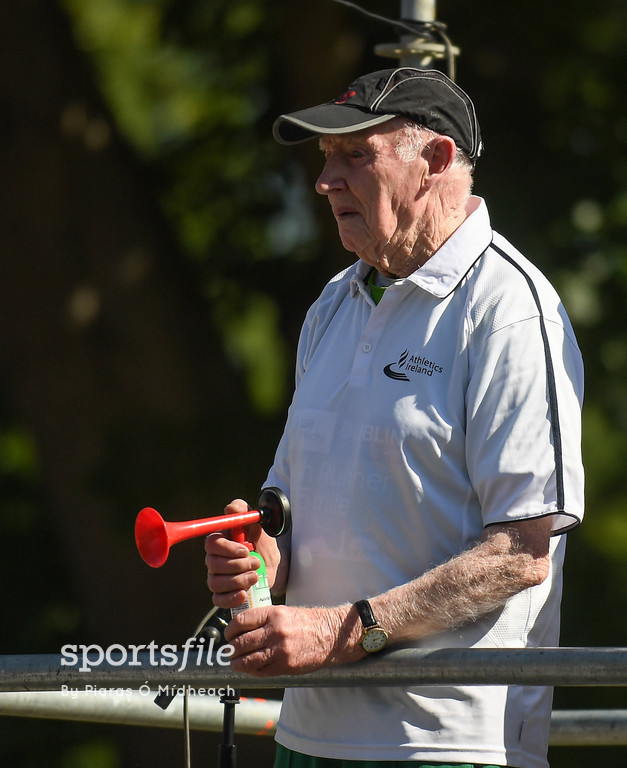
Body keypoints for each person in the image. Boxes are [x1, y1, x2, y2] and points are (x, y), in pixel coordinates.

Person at [205, 67, 585, 768]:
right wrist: (256, 563)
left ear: (435, 160)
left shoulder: (510, 309)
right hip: (306, 733)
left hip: (449, 743)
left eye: (355, 154)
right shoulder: (331, 305)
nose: (325, 182)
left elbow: (521, 554)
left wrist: (341, 633)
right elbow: (289, 519)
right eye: (326, 158)